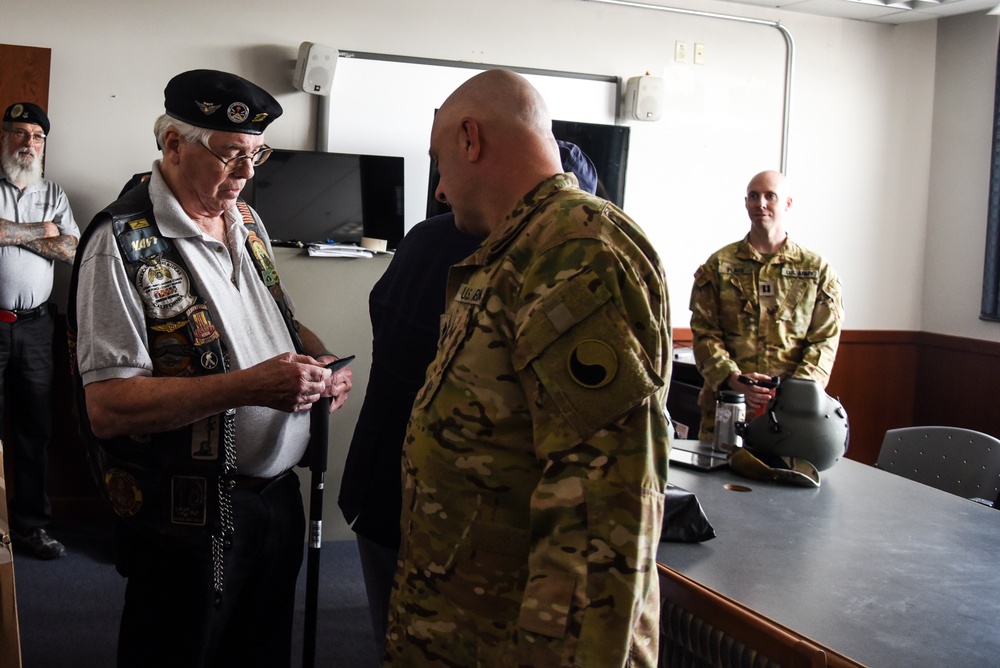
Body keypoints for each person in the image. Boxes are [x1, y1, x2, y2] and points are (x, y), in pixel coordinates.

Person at [382, 69, 671, 667]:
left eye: (439, 163)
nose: (439, 190)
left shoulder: (575, 251)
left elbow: (603, 508)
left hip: (516, 641)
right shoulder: (513, 252)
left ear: (470, 139)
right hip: (466, 623)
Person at [69, 69, 353, 668]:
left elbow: (277, 320)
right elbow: (108, 407)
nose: (249, 173)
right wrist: (253, 387)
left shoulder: (247, 221)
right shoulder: (119, 242)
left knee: (258, 652)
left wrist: (319, 361)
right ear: (174, 145)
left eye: (257, 154)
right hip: (188, 517)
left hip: (276, 498)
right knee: (177, 651)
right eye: (231, 155)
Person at [339, 140, 598, 661]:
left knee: (394, 634)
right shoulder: (552, 256)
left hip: (384, 480)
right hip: (474, 518)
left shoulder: (423, 239)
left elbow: (384, 324)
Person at [689, 169, 843, 441]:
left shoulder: (817, 270)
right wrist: (734, 378)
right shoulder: (719, 265)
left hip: (792, 414)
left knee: (784, 480)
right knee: (716, 482)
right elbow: (704, 333)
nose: (760, 203)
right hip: (727, 406)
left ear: (787, 203)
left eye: (770, 196)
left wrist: (792, 392)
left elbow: (824, 340)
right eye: (753, 196)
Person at [0, 102, 79, 560]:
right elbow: (52, 238)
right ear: (4, 137)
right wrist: (39, 232)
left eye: (36, 136)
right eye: (18, 133)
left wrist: (10, 231)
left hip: (36, 329)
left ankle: (30, 527)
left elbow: (70, 247)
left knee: (35, 430)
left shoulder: (54, 193)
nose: (28, 142)